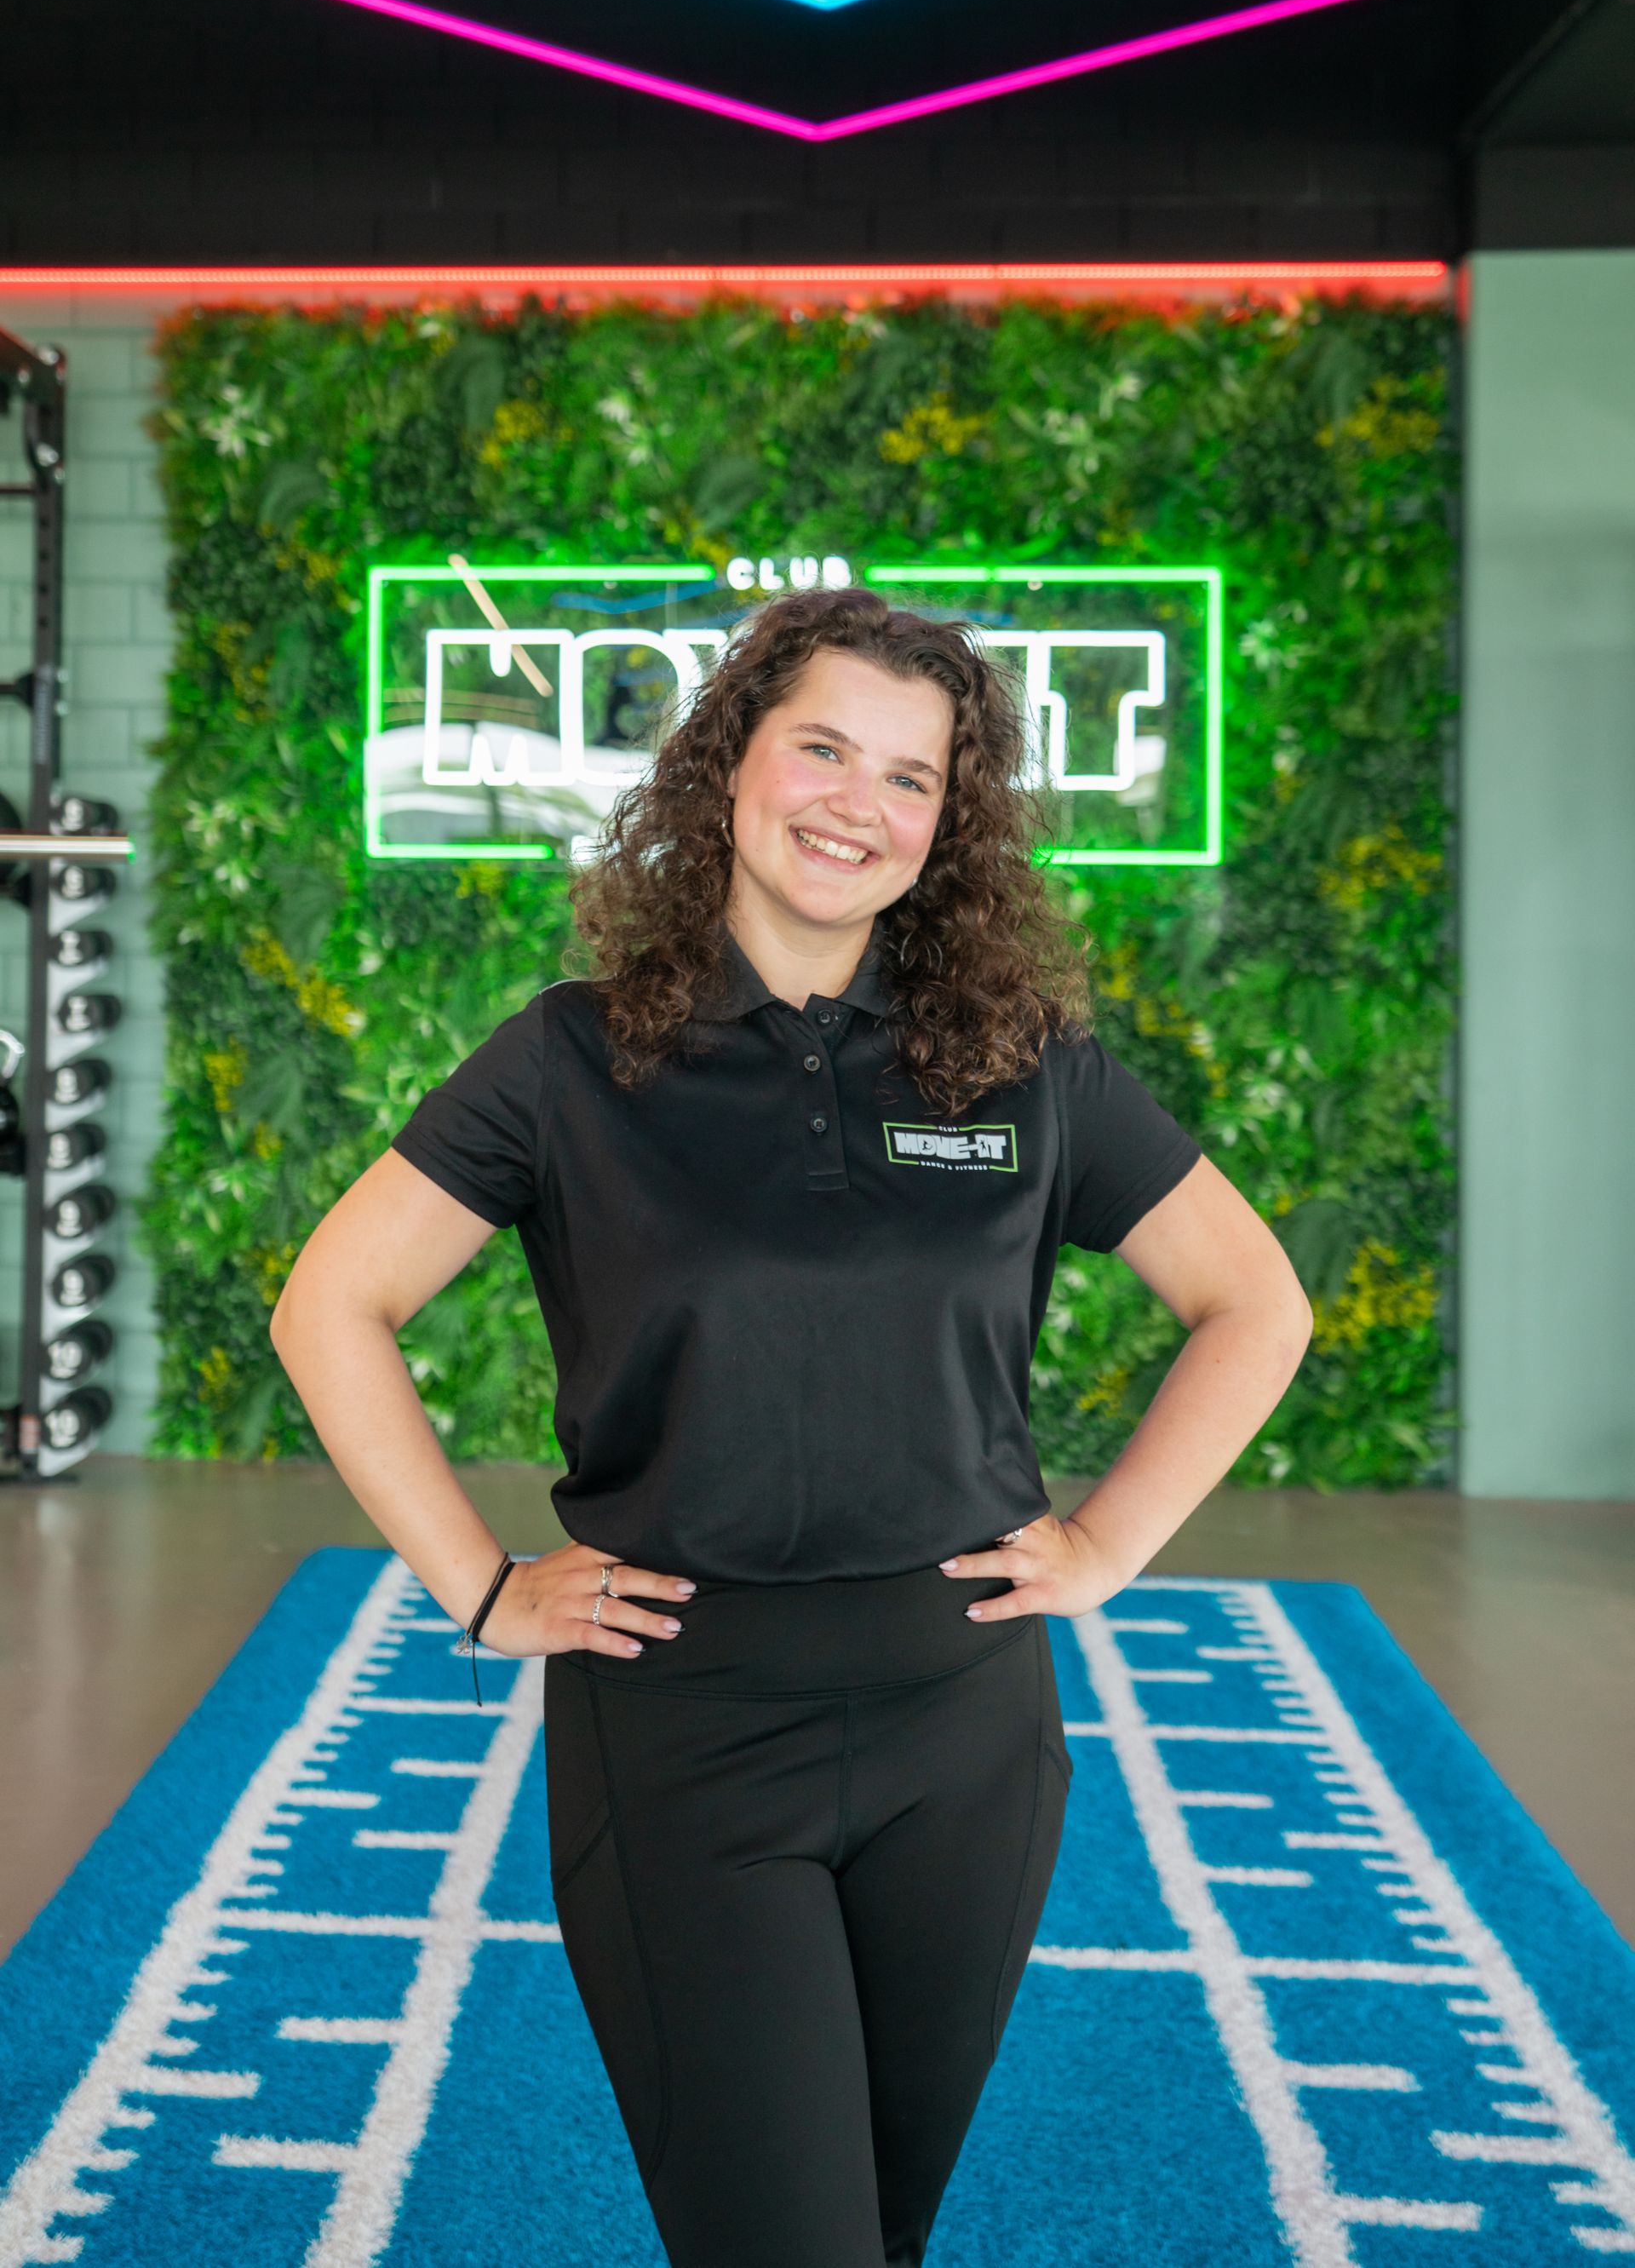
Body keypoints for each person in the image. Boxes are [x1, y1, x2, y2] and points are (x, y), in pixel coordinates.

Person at [271, 586, 1311, 2268]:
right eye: (822, 746)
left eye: (911, 778)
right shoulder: (570, 1060)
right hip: (685, 1729)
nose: (858, 801)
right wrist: (476, 1586)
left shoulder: (1025, 1067)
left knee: (877, 2238)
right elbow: (329, 1305)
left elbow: (1258, 1305)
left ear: (947, 828)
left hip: (967, 1736)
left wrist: (1109, 1546)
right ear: (727, 767)